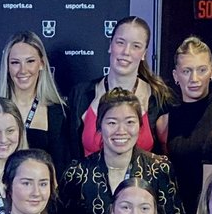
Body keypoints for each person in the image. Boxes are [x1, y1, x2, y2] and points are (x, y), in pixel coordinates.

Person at [58, 88, 184, 214]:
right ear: (99, 126)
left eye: (130, 122)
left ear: (140, 126)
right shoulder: (78, 172)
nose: (121, 131)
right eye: (112, 123)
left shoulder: (159, 169)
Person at [155, 36, 212, 214]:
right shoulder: (164, 123)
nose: (194, 79)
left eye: (201, 70)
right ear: (176, 75)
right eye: (187, 71)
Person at [73, 16, 172, 158]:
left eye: (136, 46)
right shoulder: (81, 94)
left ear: (144, 53)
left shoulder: (159, 98)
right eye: (120, 42)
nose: (126, 51)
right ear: (110, 45)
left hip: (141, 180)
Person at [0, 31, 69, 167]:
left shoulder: (59, 113)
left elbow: (62, 169)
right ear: (7, 67)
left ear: (42, 64)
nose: (23, 70)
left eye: (30, 61)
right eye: (15, 62)